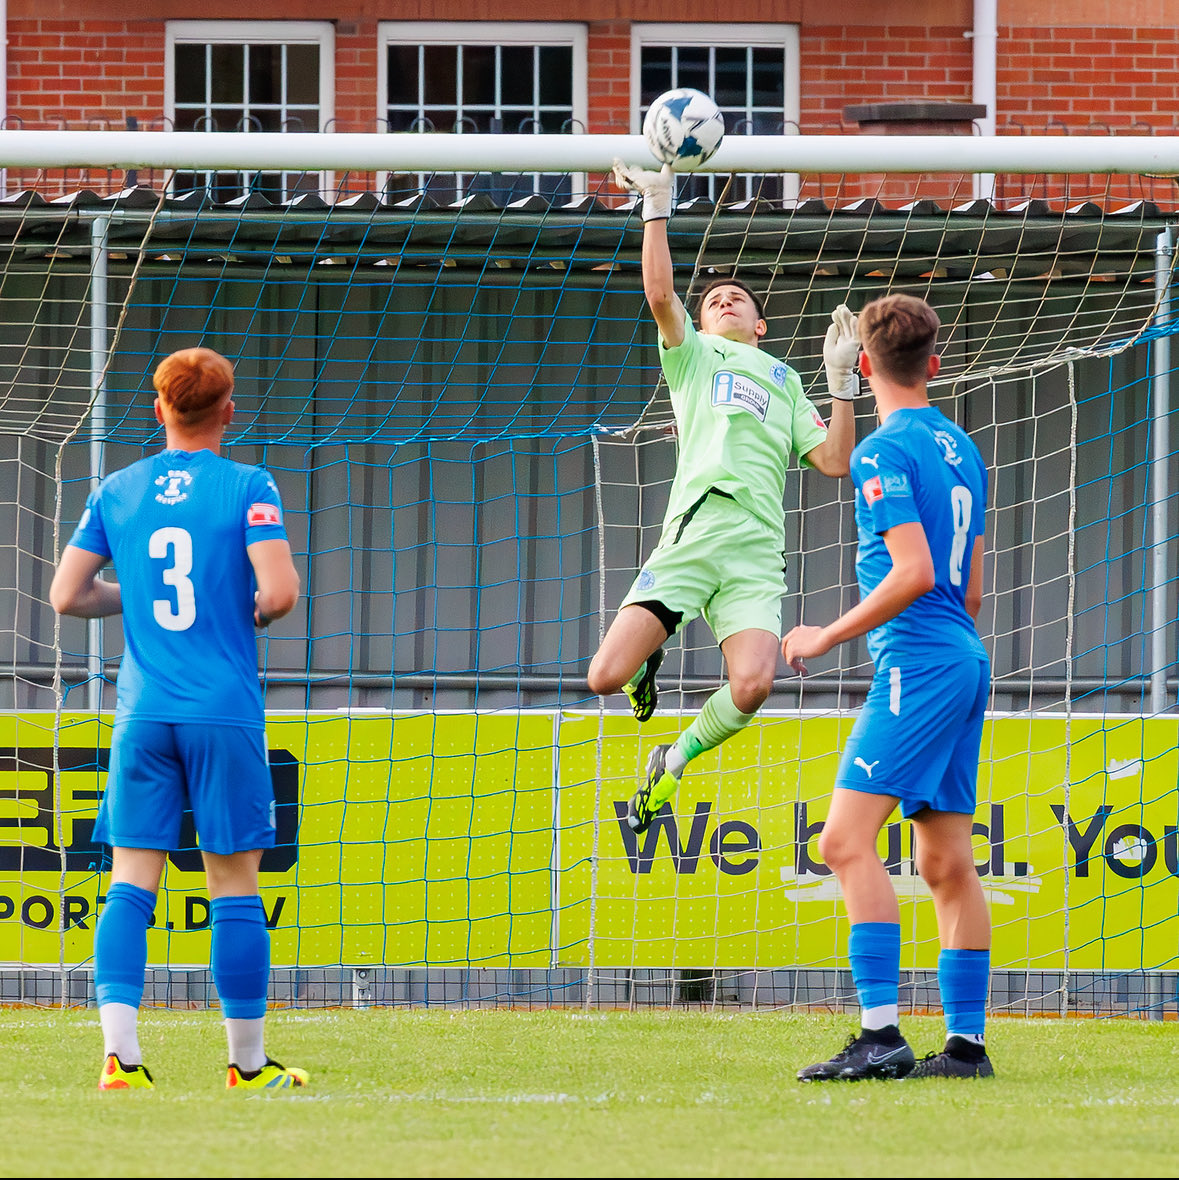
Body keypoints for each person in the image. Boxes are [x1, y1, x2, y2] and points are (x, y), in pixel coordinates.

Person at [49, 347, 307, 1091]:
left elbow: (67, 596)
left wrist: (136, 598)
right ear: (229, 411)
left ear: (158, 408)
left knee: (130, 881)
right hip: (221, 711)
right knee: (233, 884)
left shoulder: (118, 489)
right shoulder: (250, 485)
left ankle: (121, 1058)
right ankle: (246, 1065)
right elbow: (279, 594)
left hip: (144, 712)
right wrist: (242, 608)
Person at [587, 161, 856, 834]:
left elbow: (834, 461)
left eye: (738, 298)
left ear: (761, 325)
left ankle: (672, 760)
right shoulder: (693, 357)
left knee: (754, 685)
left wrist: (842, 383)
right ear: (701, 325)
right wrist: (656, 205)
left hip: (756, 553)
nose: (725, 302)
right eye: (713, 301)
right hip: (696, 533)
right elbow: (659, 294)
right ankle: (644, 662)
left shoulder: (785, 379)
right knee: (602, 677)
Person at [782, 293, 992, 1082]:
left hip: (918, 661)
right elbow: (971, 591)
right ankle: (965, 1048)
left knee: (841, 842)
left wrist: (822, 635)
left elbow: (913, 572)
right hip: (962, 654)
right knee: (946, 861)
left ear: (863, 364)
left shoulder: (880, 451)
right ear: (932, 364)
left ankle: (879, 1036)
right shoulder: (960, 447)